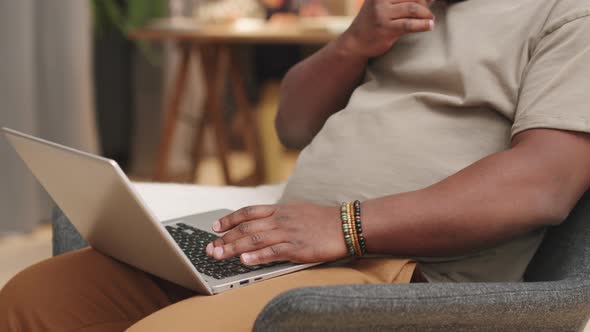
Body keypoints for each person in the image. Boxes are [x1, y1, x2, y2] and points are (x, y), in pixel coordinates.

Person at [3, 0, 590, 330]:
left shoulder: (570, 12)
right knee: (34, 299)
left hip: (406, 274)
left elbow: (544, 184)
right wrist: (353, 42)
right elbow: (293, 123)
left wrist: (343, 225)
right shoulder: (410, 5)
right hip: (283, 248)